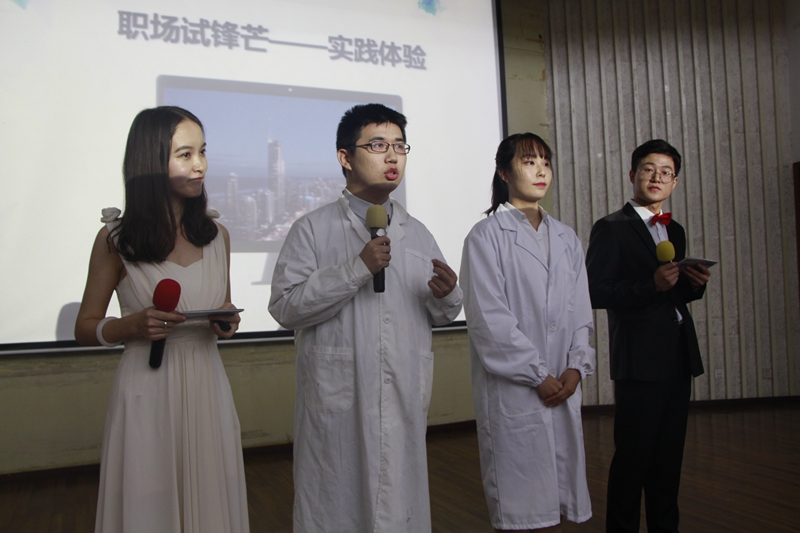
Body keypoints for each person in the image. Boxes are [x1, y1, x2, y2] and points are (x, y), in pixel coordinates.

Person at [268, 103, 462, 532]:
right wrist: (356, 269)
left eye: (399, 146)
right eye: (377, 145)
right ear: (345, 157)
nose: (392, 156)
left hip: (402, 398)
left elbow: (441, 314)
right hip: (340, 406)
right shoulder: (312, 229)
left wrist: (449, 295)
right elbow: (285, 307)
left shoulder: (418, 233)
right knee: (338, 506)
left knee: (400, 506)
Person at [74, 106, 249, 533]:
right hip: (146, 388)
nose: (200, 165)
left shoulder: (217, 235)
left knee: (210, 496)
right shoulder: (115, 239)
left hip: (207, 384)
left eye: (203, 152)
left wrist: (226, 323)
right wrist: (131, 326)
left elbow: (224, 307)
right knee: (148, 503)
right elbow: (85, 327)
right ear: (151, 161)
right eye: (185, 154)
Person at [460, 133, 595, 532]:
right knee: (522, 508)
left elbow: (580, 310)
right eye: (528, 161)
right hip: (517, 388)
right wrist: (538, 375)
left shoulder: (566, 237)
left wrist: (576, 367)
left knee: (560, 504)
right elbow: (490, 322)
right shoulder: (485, 236)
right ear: (504, 173)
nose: (540, 171)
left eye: (545, 162)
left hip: (564, 383)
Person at [585, 139, 711, 533]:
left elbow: (673, 294)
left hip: (678, 355)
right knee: (632, 461)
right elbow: (595, 291)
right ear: (633, 174)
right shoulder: (610, 228)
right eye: (648, 169)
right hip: (639, 360)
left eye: (666, 172)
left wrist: (694, 284)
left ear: (675, 182)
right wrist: (650, 285)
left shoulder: (675, 229)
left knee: (669, 461)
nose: (657, 177)